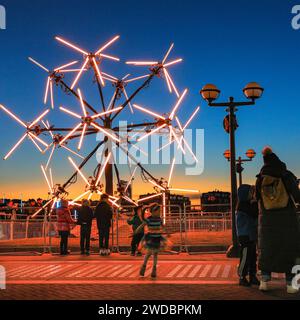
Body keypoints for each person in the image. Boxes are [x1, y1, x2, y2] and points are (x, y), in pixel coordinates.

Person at [256, 146, 300, 294]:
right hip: (286, 218)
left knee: (267, 249)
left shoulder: (260, 178)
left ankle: (264, 282)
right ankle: (290, 285)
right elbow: (297, 195)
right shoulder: (286, 175)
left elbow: (256, 198)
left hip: (267, 219)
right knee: (289, 249)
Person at [236, 184, 259, 287]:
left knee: (253, 256)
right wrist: (255, 203)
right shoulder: (243, 205)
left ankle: (252, 275)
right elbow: (254, 213)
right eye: (251, 192)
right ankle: (242, 277)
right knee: (245, 256)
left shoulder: (246, 204)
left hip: (250, 234)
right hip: (245, 235)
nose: (252, 194)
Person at [138, 204, 166, 279]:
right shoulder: (149, 219)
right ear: (153, 211)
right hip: (151, 238)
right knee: (149, 253)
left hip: (157, 238)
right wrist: (136, 231)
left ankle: (153, 270)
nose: (160, 213)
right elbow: (142, 225)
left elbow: (162, 226)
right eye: (158, 211)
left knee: (155, 254)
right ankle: (143, 267)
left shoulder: (159, 219)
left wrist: (164, 230)